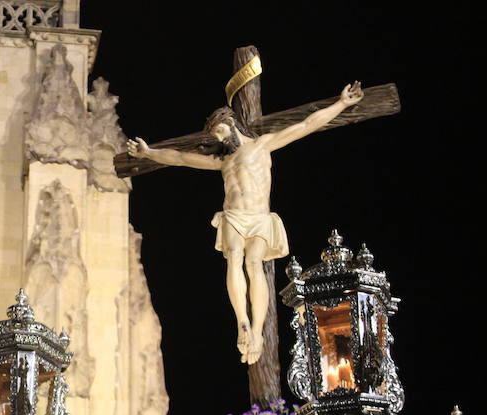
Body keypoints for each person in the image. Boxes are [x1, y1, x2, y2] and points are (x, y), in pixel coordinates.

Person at [127, 82, 364, 364]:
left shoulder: (264, 144)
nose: (219, 138)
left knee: (254, 264)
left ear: (231, 123)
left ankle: (258, 328)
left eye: (219, 131)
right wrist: (148, 153)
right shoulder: (222, 161)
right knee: (235, 259)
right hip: (235, 217)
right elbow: (180, 158)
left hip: (260, 216)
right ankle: (242, 322)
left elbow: (306, 124)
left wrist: (342, 104)